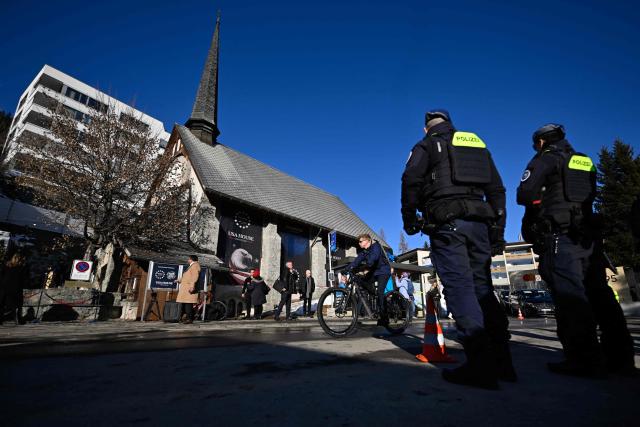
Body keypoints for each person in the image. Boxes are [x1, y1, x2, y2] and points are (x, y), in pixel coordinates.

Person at [401, 109, 513, 389]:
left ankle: (480, 366)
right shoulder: (475, 144)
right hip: (481, 225)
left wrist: (409, 218)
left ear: (427, 128)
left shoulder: (426, 145)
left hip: (449, 224)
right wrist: (498, 230)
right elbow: (497, 189)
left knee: (460, 288)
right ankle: (503, 362)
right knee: (483, 288)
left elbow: (411, 180)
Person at [517, 123, 635, 377]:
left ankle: (584, 359)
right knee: (600, 297)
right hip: (588, 238)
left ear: (540, 142)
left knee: (571, 298)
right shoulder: (583, 161)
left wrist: (541, 207)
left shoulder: (546, 159)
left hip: (562, 236)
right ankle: (620, 357)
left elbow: (525, 193)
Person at [344, 234, 391, 325]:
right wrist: (346, 269)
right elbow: (357, 260)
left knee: (380, 291)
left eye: (360, 241)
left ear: (367, 241)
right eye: (359, 242)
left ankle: (385, 317)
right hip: (374, 271)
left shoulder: (376, 246)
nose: (359, 243)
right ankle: (373, 300)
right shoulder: (365, 251)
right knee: (361, 281)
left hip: (383, 271)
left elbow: (374, 257)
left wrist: (364, 267)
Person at [0, 253, 29, 325]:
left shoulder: (6, 266)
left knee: (2, 305)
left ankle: (0, 320)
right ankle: (19, 319)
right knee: (18, 305)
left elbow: (1, 275)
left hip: (5, 288)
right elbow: (23, 279)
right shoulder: (21, 267)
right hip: (16, 288)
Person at [176, 255, 201, 324]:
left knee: (188, 304)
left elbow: (194, 277)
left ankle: (189, 319)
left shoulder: (195, 266)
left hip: (189, 288)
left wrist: (192, 286)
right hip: (186, 288)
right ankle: (183, 318)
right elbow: (187, 276)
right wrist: (179, 280)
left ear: (191, 259)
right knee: (185, 304)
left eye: (188, 259)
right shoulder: (191, 266)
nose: (187, 260)